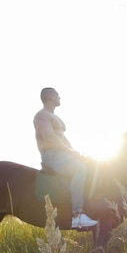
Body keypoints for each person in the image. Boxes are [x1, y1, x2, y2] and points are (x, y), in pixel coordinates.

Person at [33, 87, 98, 229]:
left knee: (90, 164)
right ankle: (77, 216)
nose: (59, 98)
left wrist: (74, 152)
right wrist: (69, 151)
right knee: (80, 169)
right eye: (57, 96)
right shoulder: (41, 115)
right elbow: (49, 138)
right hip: (51, 155)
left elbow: (63, 138)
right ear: (50, 97)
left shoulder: (54, 117)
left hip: (62, 154)